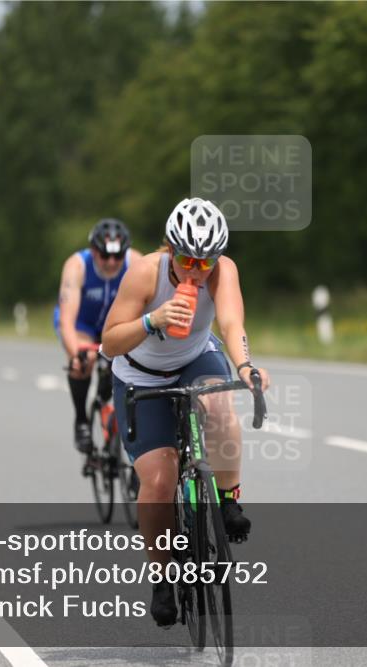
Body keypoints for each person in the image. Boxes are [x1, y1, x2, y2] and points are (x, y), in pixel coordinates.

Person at [100, 197, 270, 627]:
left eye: (205, 262)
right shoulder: (144, 273)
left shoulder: (222, 271)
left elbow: (231, 323)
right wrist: (152, 319)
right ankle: (161, 577)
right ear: (169, 250)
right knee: (158, 479)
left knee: (218, 402)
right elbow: (109, 344)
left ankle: (229, 500)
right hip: (141, 374)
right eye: (185, 259)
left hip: (197, 357)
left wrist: (247, 366)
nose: (195, 270)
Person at [55, 219, 141, 454]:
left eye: (118, 256)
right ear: (93, 251)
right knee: (85, 359)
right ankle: (81, 420)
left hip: (116, 323)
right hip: (83, 324)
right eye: (105, 256)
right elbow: (67, 321)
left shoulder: (136, 261)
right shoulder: (77, 266)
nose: (112, 262)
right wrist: (77, 355)